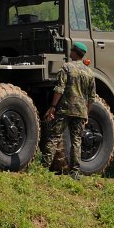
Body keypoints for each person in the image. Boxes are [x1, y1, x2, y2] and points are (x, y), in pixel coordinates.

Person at [41, 41, 97, 179]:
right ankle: (75, 172)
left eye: (72, 50)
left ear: (75, 53)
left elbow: (59, 89)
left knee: (54, 137)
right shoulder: (90, 72)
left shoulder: (67, 68)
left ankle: (43, 168)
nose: (70, 52)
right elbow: (91, 98)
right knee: (76, 141)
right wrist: (86, 114)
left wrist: (53, 106)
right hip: (80, 111)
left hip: (65, 109)